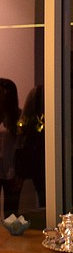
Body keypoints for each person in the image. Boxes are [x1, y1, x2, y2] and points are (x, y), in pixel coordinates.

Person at [0, 78, 21, 218]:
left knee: (11, 211)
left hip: (12, 168)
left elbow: (20, 146)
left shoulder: (19, 116)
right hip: (1, 165)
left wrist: (18, 172)